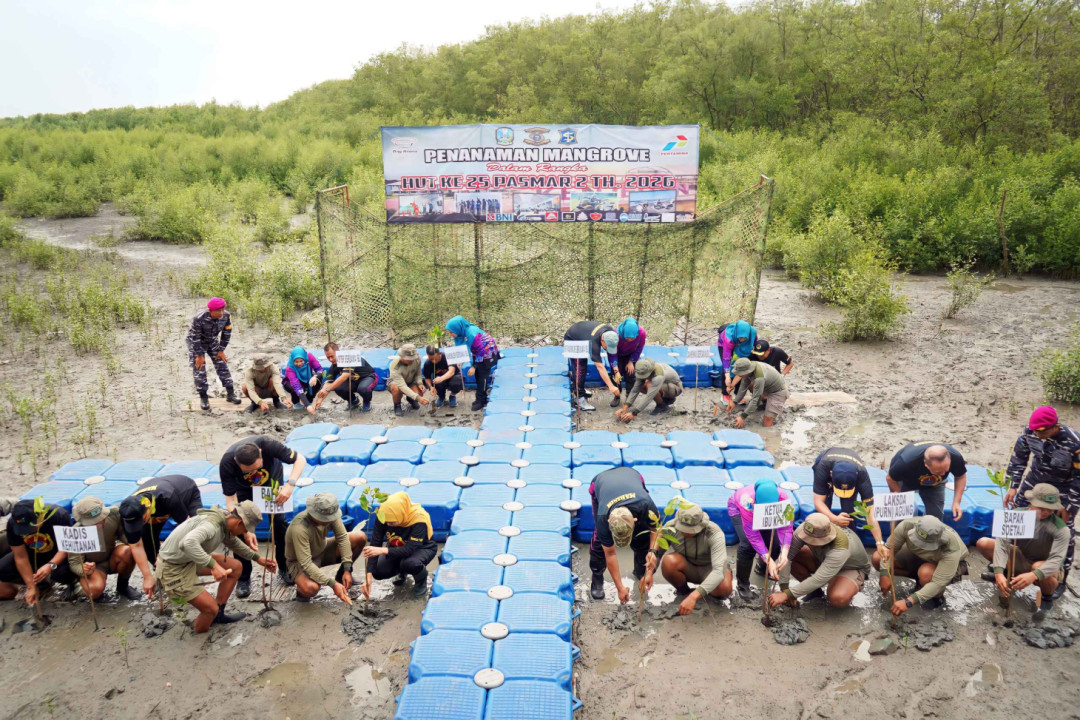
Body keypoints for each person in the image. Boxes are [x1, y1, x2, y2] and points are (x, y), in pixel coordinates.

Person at [156, 502, 273, 633]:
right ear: (239, 523)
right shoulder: (211, 526)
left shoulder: (225, 520)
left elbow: (233, 542)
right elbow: (188, 543)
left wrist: (258, 558)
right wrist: (214, 566)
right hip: (173, 568)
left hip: (189, 559)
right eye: (245, 530)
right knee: (210, 609)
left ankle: (218, 615)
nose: (244, 533)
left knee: (236, 566)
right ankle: (199, 637)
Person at [1004, 406, 1079, 599]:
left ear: (1055, 426)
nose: (1037, 434)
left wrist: (1070, 507)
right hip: (1034, 482)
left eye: (1042, 431)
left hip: (1061, 489)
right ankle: (1008, 565)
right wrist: (1013, 486)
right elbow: (1019, 458)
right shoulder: (1029, 431)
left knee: (1065, 530)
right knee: (1018, 518)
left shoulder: (1074, 443)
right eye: (1035, 430)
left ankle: (1060, 578)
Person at [218, 435, 305, 597]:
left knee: (279, 523)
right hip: (244, 490)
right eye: (248, 471)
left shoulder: (268, 445)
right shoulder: (227, 462)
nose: (254, 473)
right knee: (239, 529)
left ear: (260, 453)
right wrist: (245, 528)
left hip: (271, 483)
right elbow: (231, 499)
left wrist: (290, 485)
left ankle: (285, 568)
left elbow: (300, 459)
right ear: (237, 461)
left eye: (257, 468)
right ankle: (243, 577)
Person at [975, 483, 1070, 612]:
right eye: (1042, 507)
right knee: (984, 543)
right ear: (1032, 502)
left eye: (1050, 509)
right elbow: (1002, 544)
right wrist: (998, 572)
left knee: (1038, 567)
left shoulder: (1061, 529)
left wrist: (1033, 575)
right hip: (1022, 557)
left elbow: (1056, 560)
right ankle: (1006, 574)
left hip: (1045, 567)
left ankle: (1047, 596)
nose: (1046, 512)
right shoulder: (1016, 515)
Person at [119, 475, 204, 599]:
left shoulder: (167, 497)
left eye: (141, 520)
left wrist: (166, 552)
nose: (140, 524)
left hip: (185, 493)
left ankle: (189, 574)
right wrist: (147, 577)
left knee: (197, 532)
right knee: (147, 541)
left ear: (147, 508)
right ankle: (164, 574)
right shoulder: (127, 511)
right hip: (157, 509)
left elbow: (188, 528)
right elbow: (136, 545)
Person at [588, 467, 660, 602]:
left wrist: (652, 554)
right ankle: (597, 576)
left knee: (643, 536)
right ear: (609, 522)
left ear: (635, 520)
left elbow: (656, 529)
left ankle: (640, 570)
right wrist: (620, 588)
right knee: (599, 542)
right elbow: (610, 553)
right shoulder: (604, 517)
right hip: (601, 482)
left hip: (632, 475)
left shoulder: (646, 504)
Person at [771, 513, 871, 609]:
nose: (810, 542)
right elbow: (787, 557)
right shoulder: (806, 528)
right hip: (822, 559)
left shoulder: (841, 548)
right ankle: (815, 592)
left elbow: (818, 579)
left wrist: (787, 594)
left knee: (838, 597)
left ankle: (843, 585)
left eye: (813, 540)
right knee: (793, 553)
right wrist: (784, 587)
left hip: (849, 568)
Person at [872, 515, 967, 613]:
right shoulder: (907, 525)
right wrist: (884, 573)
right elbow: (888, 550)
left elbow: (938, 583)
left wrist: (908, 602)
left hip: (948, 565)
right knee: (877, 558)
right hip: (920, 556)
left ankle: (936, 597)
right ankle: (920, 582)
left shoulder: (951, 547)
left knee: (926, 573)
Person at [286, 493, 367, 603]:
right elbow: (306, 563)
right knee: (311, 588)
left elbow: (342, 538)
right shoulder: (299, 528)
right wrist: (332, 584)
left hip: (323, 550)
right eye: (325, 519)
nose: (330, 520)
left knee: (359, 537)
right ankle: (301, 592)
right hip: (300, 562)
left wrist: (347, 568)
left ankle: (341, 577)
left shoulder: (330, 513)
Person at [654, 503, 732, 615]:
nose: (686, 532)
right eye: (683, 528)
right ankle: (683, 591)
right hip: (688, 566)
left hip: (709, 568)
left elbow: (718, 572)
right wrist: (649, 572)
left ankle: (709, 596)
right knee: (669, 562)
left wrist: (694, 596)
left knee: (724, 588)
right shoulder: (670, 527)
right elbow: (657, 554)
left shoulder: (714, 533)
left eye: (690, 530)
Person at [0, 500, 78, 605]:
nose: (27, 532)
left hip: (58, 554)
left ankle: (71, 583)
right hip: (33, 553)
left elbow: (67, 547)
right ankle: (40, 583)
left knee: (61, 573)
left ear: (41, 516)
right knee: (3, 569)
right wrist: (30, 586)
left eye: (30, 527)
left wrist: (50, 565)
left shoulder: (59, 515)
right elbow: (20, 556)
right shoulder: (13, 523)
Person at [361, 491, 438, 597]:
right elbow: (375, 543)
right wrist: (368, 576)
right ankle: (402, 572)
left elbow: (409, 550)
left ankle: (421, 580)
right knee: (378, 571)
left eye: (392, 522)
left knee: (409, 563)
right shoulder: (384, 516)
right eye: (386, 522)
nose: (388, 525)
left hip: (421, 548)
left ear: (400, 514)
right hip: (397, 547)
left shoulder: (418, 520)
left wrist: (383, 550)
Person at [728, 479, 793, 601]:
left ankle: (762, 569)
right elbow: (753, 536)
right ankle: (742, 585)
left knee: (774, 543)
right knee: (747, 545)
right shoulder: (747, 501)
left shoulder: (784, 500)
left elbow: (786, 529)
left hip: (769, 514)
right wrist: (768, 559)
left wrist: (784, 553)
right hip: (739, 510)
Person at [65, 497, 137, 602]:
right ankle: (83, 589)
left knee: (129, 551)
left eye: (102, 517)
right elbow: (74, 562)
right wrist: (83, 569)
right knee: (94, 590)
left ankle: (123, 586)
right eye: (95, 521)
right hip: (94, 567)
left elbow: (124, 535)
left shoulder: (114, 514)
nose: (101, 521)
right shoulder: (77, 532)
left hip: (113, 556)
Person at [811, 447, 884, 547]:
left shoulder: (861, 474)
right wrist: (834, 519)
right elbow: (818, 502)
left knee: (848, 514)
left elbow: (870, 512)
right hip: (827, 461)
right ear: (831, 474)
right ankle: (823, 543)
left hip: (852, 468)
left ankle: (850, 545)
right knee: (824, 512)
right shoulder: (823, 467)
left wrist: (879, 542)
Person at [885, 441, 968, 522]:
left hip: (935, 484)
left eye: (946, 470)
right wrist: (900, 500)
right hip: (906, 479)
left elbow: (960, 477)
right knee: (902, 516)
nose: (942, 474)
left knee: (935, 518)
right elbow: (890, 478)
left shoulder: (955, 457)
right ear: (926, 464)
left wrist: (957, 502)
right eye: (938, 472)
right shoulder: (906, 462)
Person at [186, 297, 241, 411]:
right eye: (218, 311)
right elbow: (195, 338)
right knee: (199, 368)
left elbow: (227, 332)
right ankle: (204, 397)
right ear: (210, 310)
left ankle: (230, 394)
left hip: (212, 341)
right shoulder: (199, 319)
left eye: (222, 310)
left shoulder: (226, 316)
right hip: (196, 343)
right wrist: (199, 356)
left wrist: (221, 349)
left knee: (222, 364)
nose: (221, 313)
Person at [445, 315, 500, 411]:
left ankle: (482, 401)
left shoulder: (471, 334)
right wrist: (460, 360)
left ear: (457, 328)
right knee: (478, 376)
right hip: (478, 353)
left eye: (451, 332)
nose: (450, 334)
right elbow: (462, 348)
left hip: (487, 354)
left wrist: (473, 366)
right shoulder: (462, 333)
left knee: (482, 377)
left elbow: (480, 352)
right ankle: (480, 398)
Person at [563, 320, 620, 411]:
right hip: (572, 339)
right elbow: (600, 367)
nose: (607, 349)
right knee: (579, 367)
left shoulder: (611, 333)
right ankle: (579, 399)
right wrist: (611, 386)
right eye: (606, 346)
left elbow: (612, 354)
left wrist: (616, 371)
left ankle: (580, 389)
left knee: (583, 364)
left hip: (583, 335)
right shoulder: (594, 343)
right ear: (602, 340)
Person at [314, 342, 378, 413]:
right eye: (328, 357)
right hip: (354, 381)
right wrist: (319, 400)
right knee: (338, 388)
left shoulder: (350, 358)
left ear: (338, 352)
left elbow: (344, 377)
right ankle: (354, 401)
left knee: (363, 388)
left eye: (332, 356)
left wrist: (328, 389)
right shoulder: (333, 366)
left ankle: (366, 402)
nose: (330, 360)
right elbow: (328, 383)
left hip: (368, 377)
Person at [615, 357, 683, 423]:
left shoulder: (658, 375)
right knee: (641, 385)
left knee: (649, 385)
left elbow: (649, 396)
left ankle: (662, 406)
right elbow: (635, 390)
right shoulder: (643, 368)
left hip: (675, 388)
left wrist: (634, 413)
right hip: (664, 384)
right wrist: (625, 408)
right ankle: (666, 400)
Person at [727, 357, 789, 429]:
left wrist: (742, 417)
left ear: (747, 371)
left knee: (766, 425)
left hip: (778, 391)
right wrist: (735, 402)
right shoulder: (750, 367)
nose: (739, 375)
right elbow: (743, 387)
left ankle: (770, 406)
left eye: (740, 374)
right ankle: (766, 402)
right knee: (751, 385)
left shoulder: (759, 378)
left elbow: (756, 400)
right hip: (767, 386)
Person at [608, 317, 647, 408]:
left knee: (631, 374)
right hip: (617, 354)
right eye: (627, 338)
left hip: (631, 355)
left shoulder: (641, 333)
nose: (629, 340)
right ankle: (617, 396)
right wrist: (616, 370)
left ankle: (629, 397)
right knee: (616, 376)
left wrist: (631, 361)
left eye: (632, 338)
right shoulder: (616, 334)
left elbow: (639, 348)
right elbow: (611, 353)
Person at [717, 319, 757, 397]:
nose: (741, 340)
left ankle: (737, 394)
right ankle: (725, 394)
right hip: (724, 345)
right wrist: (727, 377)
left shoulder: (752, 333)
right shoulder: (728, 338)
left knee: (742, 367)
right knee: (726, 368)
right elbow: (726, 359)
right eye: (740, 337)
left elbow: (754, 344)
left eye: (744, 337)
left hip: (743, 348)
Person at [388, 343, 430, 416]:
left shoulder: (417, 359)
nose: (412, 361)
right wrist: (418, 398)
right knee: (396, 388)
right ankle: (397, 404)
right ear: (402, 357)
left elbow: (418, 373)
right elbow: (402, 386)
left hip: (411, 381)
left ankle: (410, 399)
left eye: (413, 358)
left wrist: (420, 383)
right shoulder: (394, 366)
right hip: (397, 383)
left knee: (420, 391)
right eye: (409, 359)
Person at [283, 346, 325, 414]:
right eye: (296, 362)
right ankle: (296, 403)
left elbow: (321, 370)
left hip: (308, 378)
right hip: (290, 383)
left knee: (318, 380)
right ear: (293, 360)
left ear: (304, 358)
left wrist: (315, 376)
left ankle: (309, 399)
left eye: (301, 361)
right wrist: (307, 405)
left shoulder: (309, 357)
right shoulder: (290, 368)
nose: (299, 364)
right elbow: (296, 387)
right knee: (294, 388)